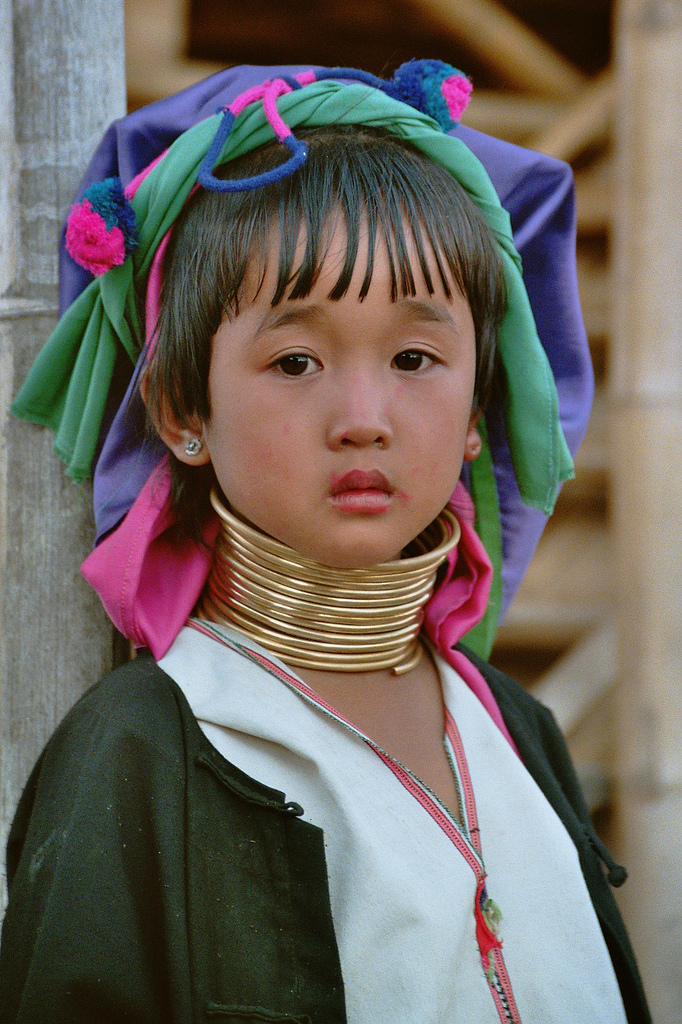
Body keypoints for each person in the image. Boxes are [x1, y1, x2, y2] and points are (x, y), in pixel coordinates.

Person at [0, 61, 651, 1024]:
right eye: (296, 360)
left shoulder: (519, 732)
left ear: (480, 411)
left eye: (416, 359)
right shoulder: (142, 752)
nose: (362, 418)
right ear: (183, 411)